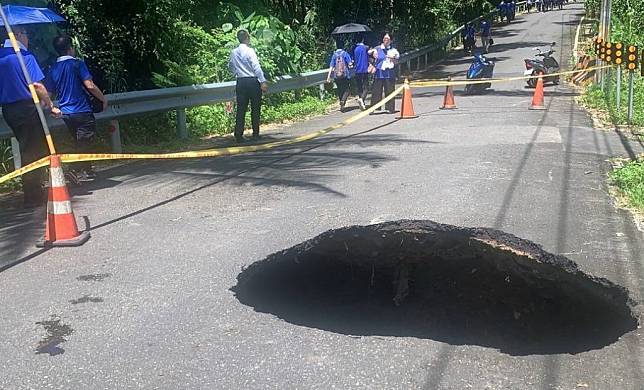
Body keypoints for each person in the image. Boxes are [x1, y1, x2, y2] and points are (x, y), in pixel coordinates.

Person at [0, 26, 60, 207]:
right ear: (17, 35)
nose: (28, 37)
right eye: (26, 33)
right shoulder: (24, 56)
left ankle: (34, 191)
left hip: (9, 110)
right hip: (27, 108)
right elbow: (38, 86)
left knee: (27, 147)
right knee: (33, 151)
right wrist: (51, 106)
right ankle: (33, 195)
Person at [46, 35, 108, 182]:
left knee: (80, 141)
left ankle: (86, 170)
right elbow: (90, 85)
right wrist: (103, 99)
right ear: (70, 48)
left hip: (66, 113)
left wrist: (51, 107)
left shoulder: (53, 68)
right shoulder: (77, 64)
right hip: (82, 109)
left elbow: (48, 93)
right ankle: (73, 169)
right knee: (85, 141)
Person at [228, 29, 268, 143]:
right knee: (255, 108)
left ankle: (238, 135)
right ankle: (255, 133)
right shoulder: (250, 51)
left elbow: (230, 66)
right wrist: (263, 81)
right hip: (252, 81)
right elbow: (256, 67)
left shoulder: (234, 52)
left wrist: (236, 71)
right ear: (247, 38)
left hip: (240, 81)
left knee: (241, 109)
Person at [369, 33, 399, 114]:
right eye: (385, 39)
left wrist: (392, 58)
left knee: (390, 91)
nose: (386, 40)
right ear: (382, 39)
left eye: (388, 39)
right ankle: (373, 108)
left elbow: (396, 62)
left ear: (391, 41)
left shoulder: (393, 50)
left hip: (389, 74)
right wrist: (373, 57)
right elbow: (370, 57)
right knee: (376, 92)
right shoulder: (377, 48)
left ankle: (390, 108)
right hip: (379, 73)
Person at [326, 40, 353, 112]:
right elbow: (350, 65)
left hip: (336, 76)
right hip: (345, 75)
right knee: (347, 89)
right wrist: (351, 64)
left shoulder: (334, 55)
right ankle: (343, 101)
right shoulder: (345, 54)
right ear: (343, 46)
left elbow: (331, 66)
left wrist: (328, 77)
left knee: (340, 89)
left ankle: (341, 105)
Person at [352, 35, 370, 111]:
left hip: (357, 70)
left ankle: (362, 103)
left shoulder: (355, 49)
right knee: (366, 87)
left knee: (360, 87)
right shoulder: (366, 48)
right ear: (362, 40)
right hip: (364, 70)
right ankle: (362, 99)